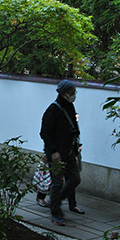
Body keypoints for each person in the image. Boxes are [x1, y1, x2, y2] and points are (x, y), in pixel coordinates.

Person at [40, 79, 84, 226]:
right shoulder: (52, 110)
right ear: (65, 93)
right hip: (57, 153)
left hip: (70, 151)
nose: (74, 95)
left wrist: (76, 149)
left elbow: (74, 129)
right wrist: (52, 152)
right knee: (57, 182)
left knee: (75, 179)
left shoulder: (70, 107)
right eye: (72, 92)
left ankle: (55, 201)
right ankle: (55, 211)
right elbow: (45, 133)